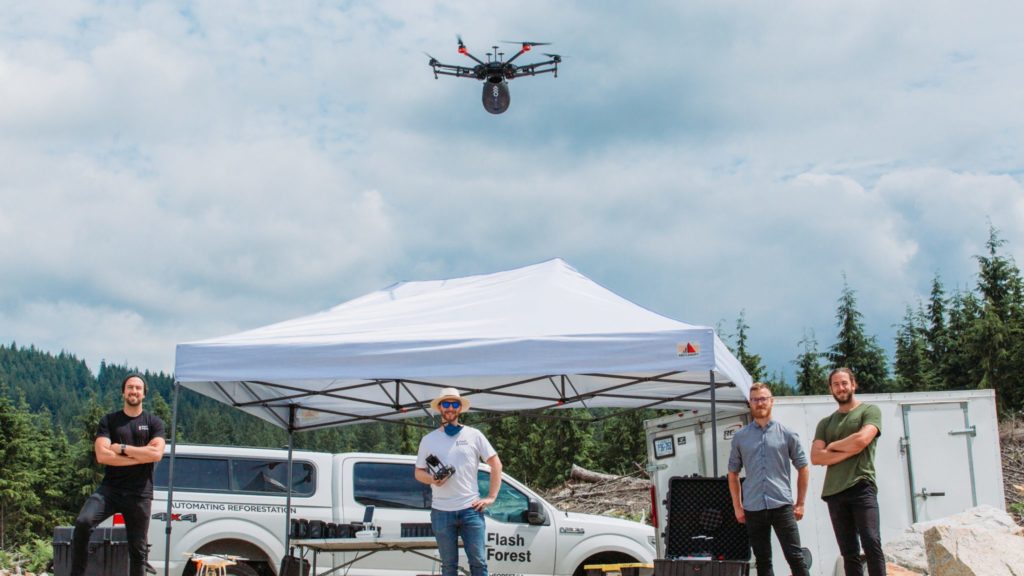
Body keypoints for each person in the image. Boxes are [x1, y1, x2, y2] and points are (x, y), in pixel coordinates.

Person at [72, 374, 166, 576]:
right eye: (130, 387)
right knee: (83, 522)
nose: (134, 391)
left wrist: (121, 448)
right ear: (123, 392)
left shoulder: (154, 423)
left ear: (144, 393)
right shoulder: (109, 421)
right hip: (110, 490)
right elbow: (102, 455)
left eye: (138, 388)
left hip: (140, 493)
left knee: (138, 550)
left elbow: (156, 453)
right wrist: (140, 456)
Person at [415, 388, 502, 576]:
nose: (450, 408)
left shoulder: (474, 435)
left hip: (471, 509)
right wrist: (433, 479)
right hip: (441, 511)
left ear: (460, 408)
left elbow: (496, 464)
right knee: (448, 566)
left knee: (478, 563)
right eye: (446, 404)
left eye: (454, 404)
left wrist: (491, 497)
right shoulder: (428, 440)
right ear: (439, 408)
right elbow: (418, 473)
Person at [727, 383, 810, 576]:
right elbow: (733, 473)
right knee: (763, 562)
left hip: (782, 505)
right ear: (750, 404)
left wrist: (801, 503)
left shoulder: (787, 433)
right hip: (753, 508)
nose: (759, 403)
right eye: (755, 400)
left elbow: (803, 467)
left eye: (763, 399)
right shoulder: (740, 437)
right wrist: (738, 507)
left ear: (772, 401)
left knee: (795, 557)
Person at [810, 368, 885, 576]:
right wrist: (849, 450)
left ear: (853, 384)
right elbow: (816, 457)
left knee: (871, 542)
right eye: (836, 384)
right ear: (831, 389)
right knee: (848, 551)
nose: (841, 388)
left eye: (844, 383)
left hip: (862, 485)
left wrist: (832, 445)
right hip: (834, 491)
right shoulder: (825, 423)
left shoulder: (869, 411)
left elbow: (862, 440)